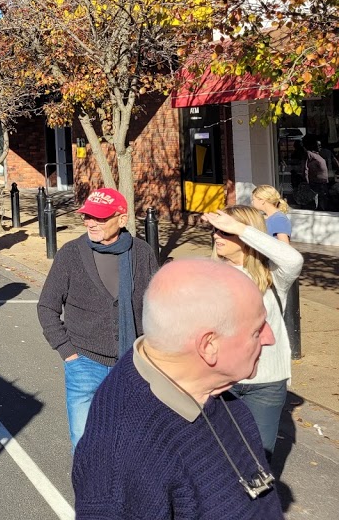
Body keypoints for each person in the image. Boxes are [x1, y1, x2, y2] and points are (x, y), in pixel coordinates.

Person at [73, 259, 283, 519]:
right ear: (209, 346)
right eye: (256, 330)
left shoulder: (213, 389)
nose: (270, 338)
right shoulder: (121, 463)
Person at [37, 187, 159, 450]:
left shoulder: (141, 252)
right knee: (84, 443)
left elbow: (157, 305)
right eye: (87, 217)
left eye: (100, 218)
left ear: (122, 218)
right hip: (84, 363)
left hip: (131, 366)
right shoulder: (71, 253)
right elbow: (47, 306)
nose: (91, 223)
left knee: (130, 443)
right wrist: (68, 352)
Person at [203, 206, 304, 462]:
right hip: (221, 379)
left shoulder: (272, 275)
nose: (217, 236)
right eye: (216, 230)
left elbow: (294, 260)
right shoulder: (211, 274)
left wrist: (240, 228)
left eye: (224, 231)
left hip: (266, 383)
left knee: (258, 459)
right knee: (219, 458)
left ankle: (258, 503)